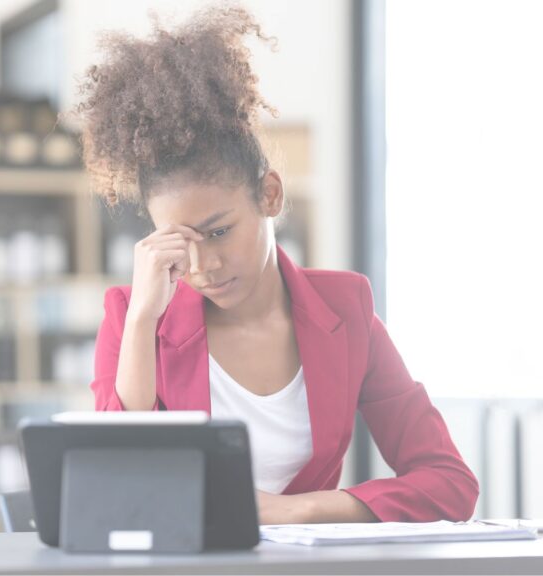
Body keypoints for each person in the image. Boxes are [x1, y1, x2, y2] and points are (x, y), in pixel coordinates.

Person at [75, 4, 478, 525]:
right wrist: (142, 322)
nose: (205, 265)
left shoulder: (346, 312)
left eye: (219, 231)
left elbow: (449, 483)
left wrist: (301, 510)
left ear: (269, 195)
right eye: (181, 242)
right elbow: (116, 486)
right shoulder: (133, 318)